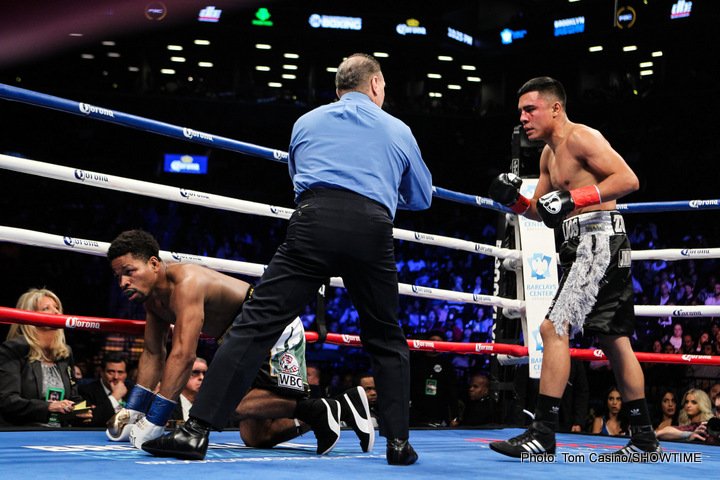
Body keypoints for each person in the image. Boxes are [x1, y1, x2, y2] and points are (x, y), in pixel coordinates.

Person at [141, 53, 432, 465]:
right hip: (371, 226)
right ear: (376, 85)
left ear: (337, 90)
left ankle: (196, 432)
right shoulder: (398, 130)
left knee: (255, 326)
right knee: (386, 336)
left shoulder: (307, 122)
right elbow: (421, 197)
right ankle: (398, 444)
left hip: (313, 220)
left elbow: (299, 182)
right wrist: (381, 186)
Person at [488, 77, 659, 458]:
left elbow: (628, 179)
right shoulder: (549, 155)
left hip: (598, 241)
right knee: (614, 340)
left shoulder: (582, 138)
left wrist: (575, 196)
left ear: (555, 108)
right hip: (579, 243)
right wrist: (512, 200)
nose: (523, 118)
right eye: (520, 112)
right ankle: (645, 438)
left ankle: (544, 432)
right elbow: (542, 211)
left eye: (529, 109)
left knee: (554, 327)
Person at [105, 229, 373, 455]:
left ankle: (323, 406)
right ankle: (333, 409)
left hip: (272, 325)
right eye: (118, 276)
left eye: (129, 271)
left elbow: (184, 354)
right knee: (256, 436)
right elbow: (153, 353)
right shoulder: (153, 301)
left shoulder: (187, 282)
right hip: (241, 341)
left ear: (153, 264)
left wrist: (155, 420)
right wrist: (133, 412)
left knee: (221, 399)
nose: (123, 282)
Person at [0, 288, 93, 427]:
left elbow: (73, 397)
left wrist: (82, 410)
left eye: (57, 308)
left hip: (59, 435)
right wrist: (48, 407)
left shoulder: (65, 353)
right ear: (30, 316)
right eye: (46, 308)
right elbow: (7, 400)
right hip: (22, 433)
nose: (56, 313)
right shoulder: (13, 349)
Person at [79, 352, 131, 427]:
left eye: (120, 372)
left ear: (126, 374)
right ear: (102, 372)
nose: (116, 377)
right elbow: (91, 421)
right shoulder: (86, 391)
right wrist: (115, 397)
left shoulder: (133, 391)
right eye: (111, 372)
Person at [169, 358, 207, 423]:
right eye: (195, 372)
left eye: (205, 373)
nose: (202, 377)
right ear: (182, 375)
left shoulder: (213, 406)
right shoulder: (168, 405)